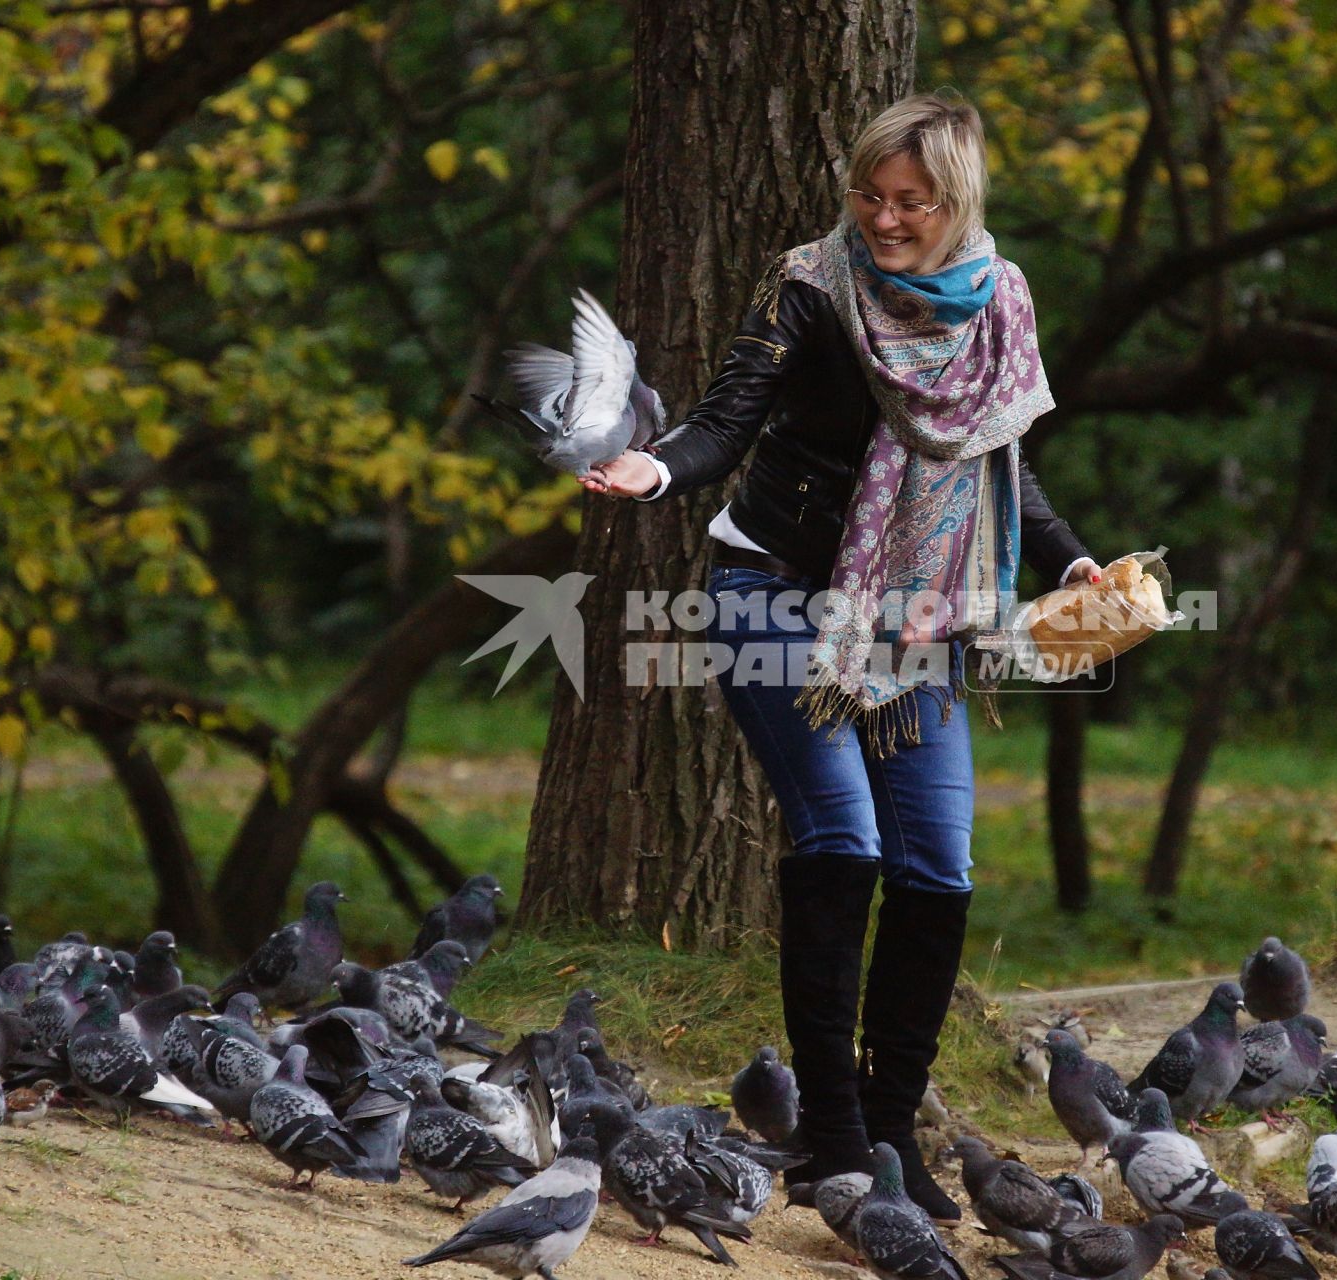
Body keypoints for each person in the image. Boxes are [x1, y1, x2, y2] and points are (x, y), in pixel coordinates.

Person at [580, 90, 1098, 1222]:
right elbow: (727, 417)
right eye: (868, 192)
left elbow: (1002, 469)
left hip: (915, 618)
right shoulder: (809, 282)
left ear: (956, 201)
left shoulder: (998, 300)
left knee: (938, 869)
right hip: (771, 588)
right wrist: (655, 469)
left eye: (910, 200)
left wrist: (1069, 567)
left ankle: (886, 1129)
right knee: (844, 839)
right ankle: (826, 1132)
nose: (883, 216)